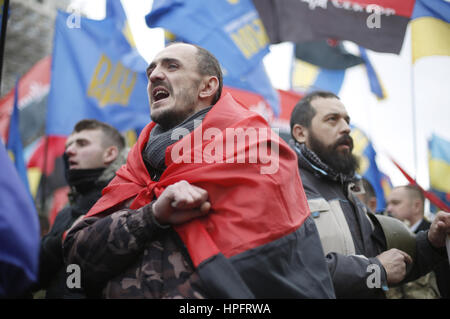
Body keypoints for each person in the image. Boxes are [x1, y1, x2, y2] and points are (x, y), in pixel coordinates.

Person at [63, 43, 335, 299]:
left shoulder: (257, 150)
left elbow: (268, 266)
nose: (155, 75)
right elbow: (77, 259)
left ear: (207, 86)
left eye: (172, 67)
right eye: (151, 70)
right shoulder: (134, 171)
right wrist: (152, 215)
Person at [289, 90, 450, 298]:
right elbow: (289, 271)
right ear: (301, 133)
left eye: (347, 120)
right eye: (332, 120)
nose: (346, 128)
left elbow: (392, 260)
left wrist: (431, 242)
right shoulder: (284, 187)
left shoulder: (347, 193)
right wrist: (375, 270)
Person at [34, 119, 127, 299]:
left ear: (110, 154)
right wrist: (62, 240)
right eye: (69, 145)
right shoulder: (66, 212)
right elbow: (36, 276)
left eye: (82, 144)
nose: (69, 151)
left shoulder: (128, 201)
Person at [386, 185, 450, 299]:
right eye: (388, 204)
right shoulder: (389, 238)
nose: (389, 209)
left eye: (395, 203)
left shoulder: (439, 236)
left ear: (416, 206)